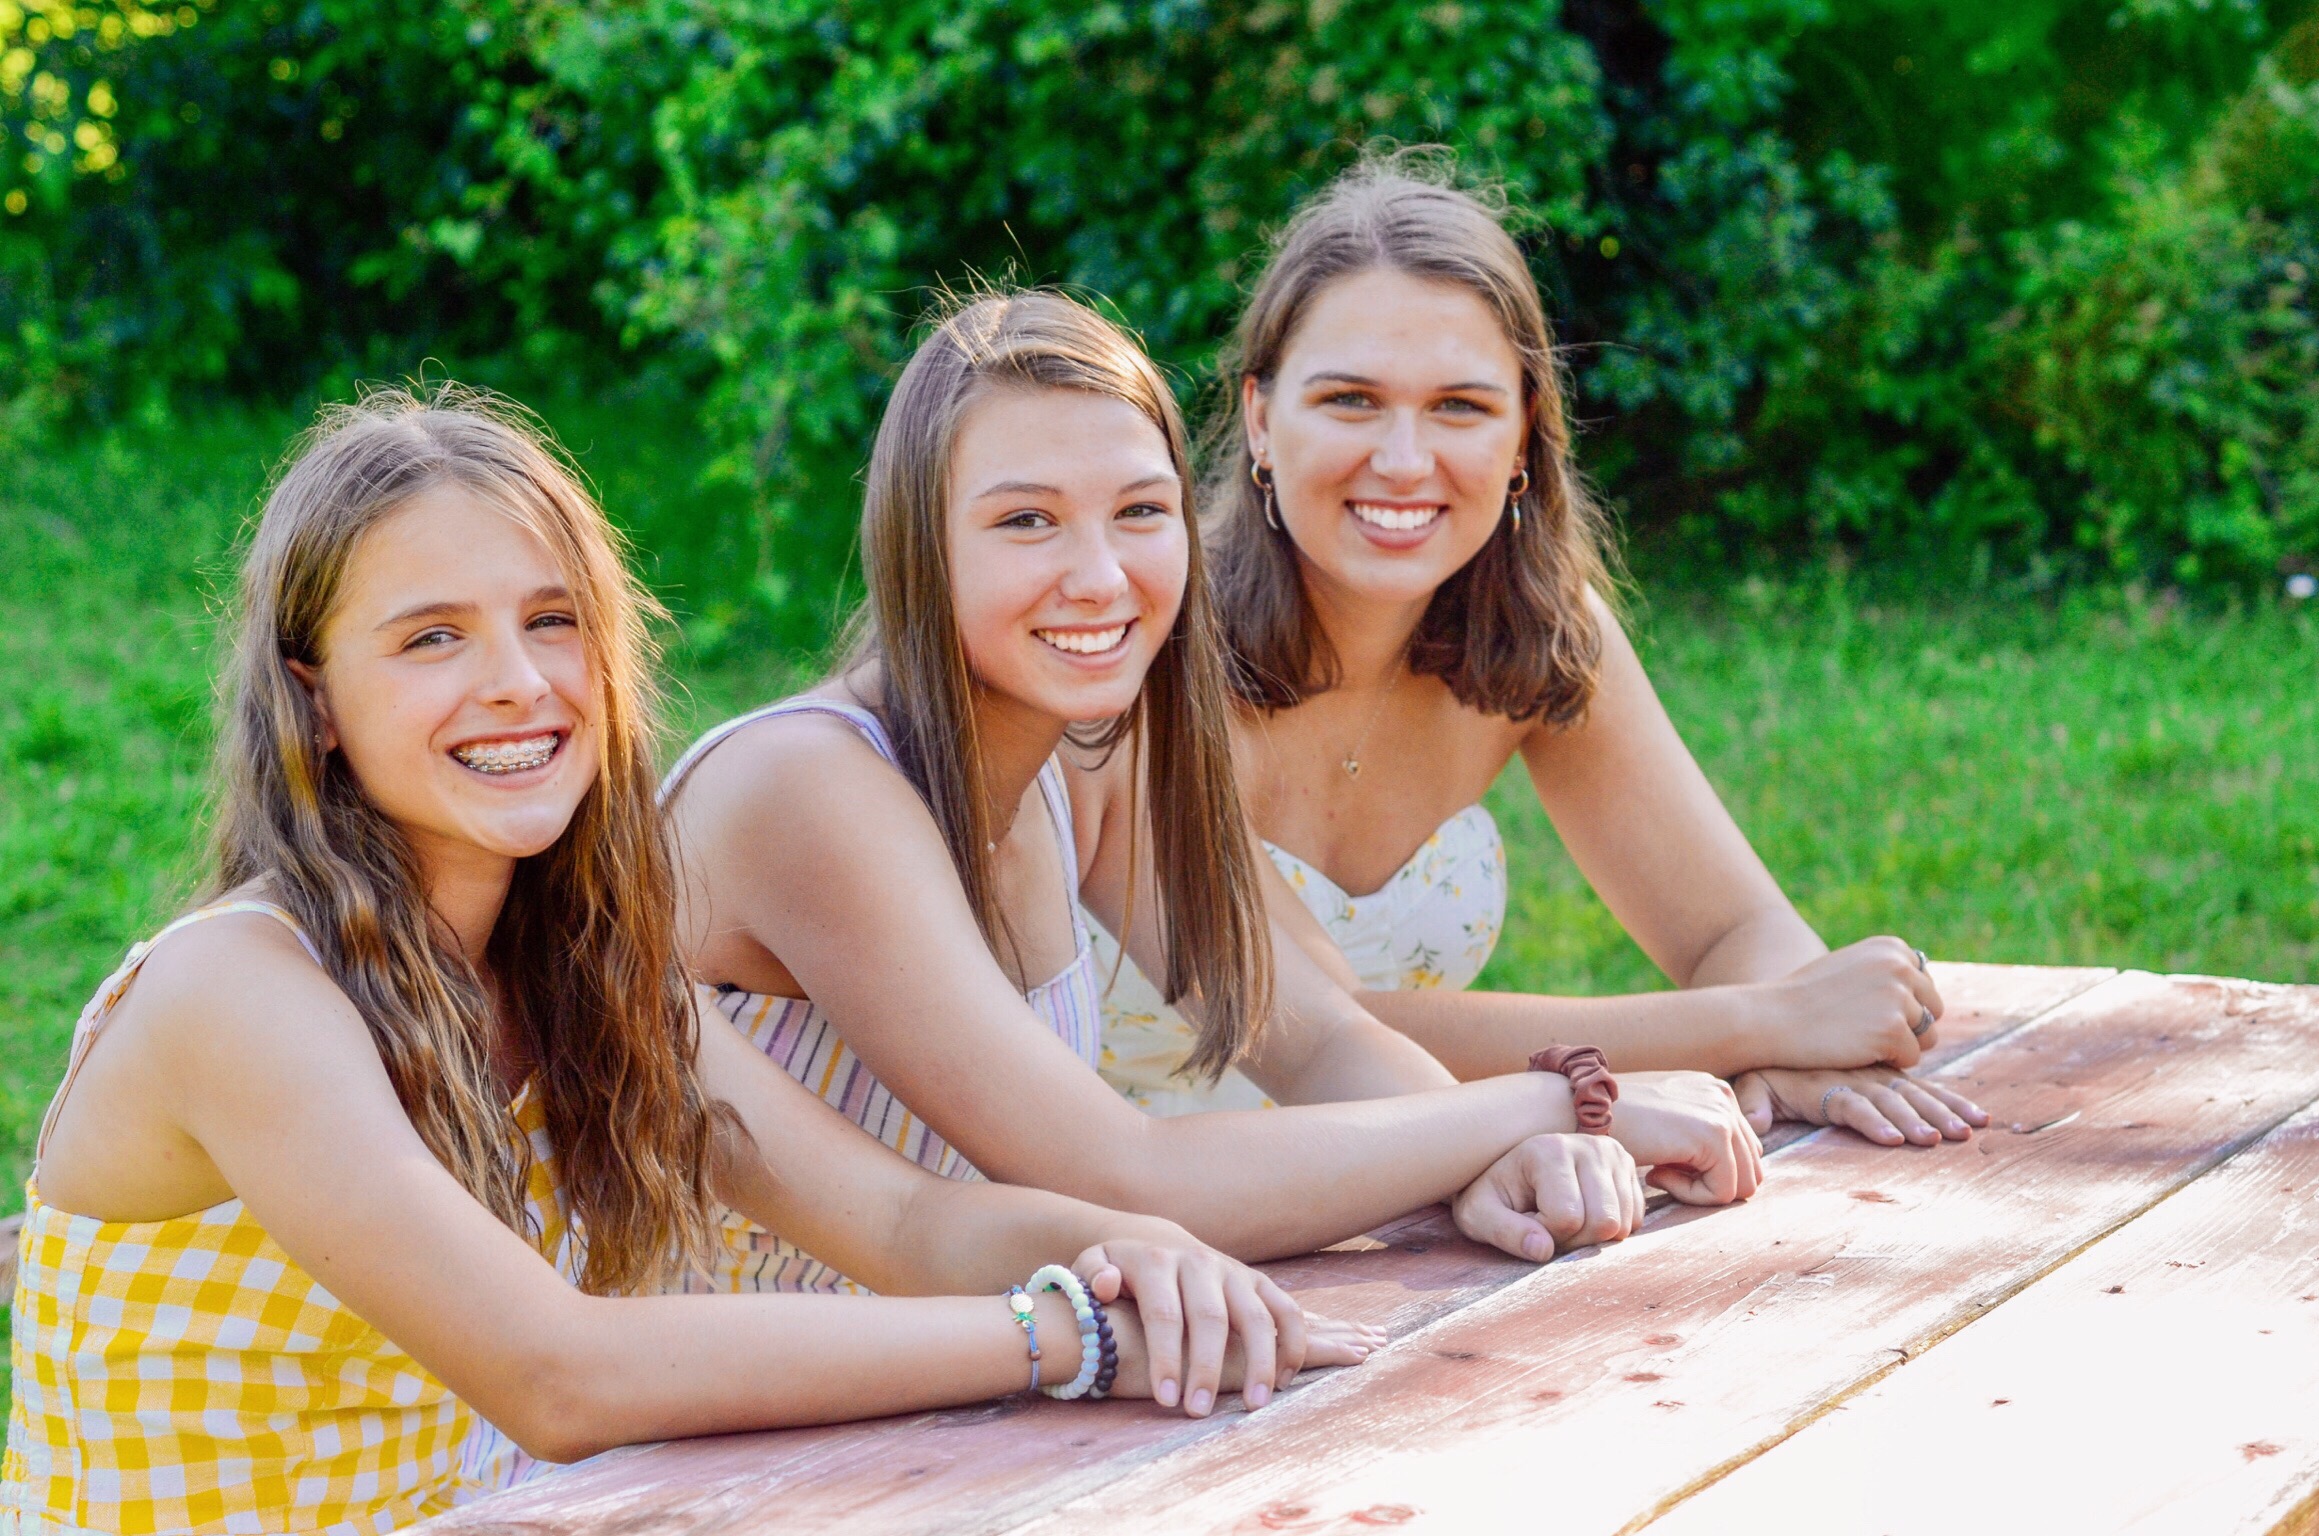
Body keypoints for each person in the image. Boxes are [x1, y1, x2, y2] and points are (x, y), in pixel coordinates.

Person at [3, 388, 1370, 1536]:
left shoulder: (579, 969)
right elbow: (563, 1374)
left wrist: (1135, 1259)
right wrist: (1065, 1336)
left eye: (553, 621)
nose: (517, 681)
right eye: (432, 638)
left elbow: (905, 1228)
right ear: (314, 701)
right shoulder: (240, 994)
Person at [666, 289, 1761, 1302]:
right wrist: (1552, 1101)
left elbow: (1317, 1038)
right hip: (714, 1410)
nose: (1101, 576)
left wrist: (1493, 1161)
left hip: (973, 1375)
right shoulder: (808, 789)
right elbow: (1123, 1173)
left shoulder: (1087, 757)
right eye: (1026, 521)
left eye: (1140, 511)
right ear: (919, 544)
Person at [1095, 156, 1988, 1150]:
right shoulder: (1137, 651)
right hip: (1111, 1203)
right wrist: (1760, 1024)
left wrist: (1808, 1040)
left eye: (1460, 406)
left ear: (1524, 434)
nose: (1403, 460)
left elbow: (1733, 929)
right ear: (1261, 418)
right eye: (1350, 399)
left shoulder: (1540, 635)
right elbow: (1332, 1036)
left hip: (1414, 1198)